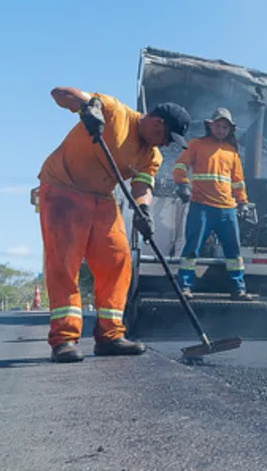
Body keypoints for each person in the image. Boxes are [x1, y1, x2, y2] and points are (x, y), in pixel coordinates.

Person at [37, 87, 190, 363]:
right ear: (157, 123)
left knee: (118, 260)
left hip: (101, 198)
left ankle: (109, 336)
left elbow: (142, 186)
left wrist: (144, 210)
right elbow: (59, 94)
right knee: (64, 264)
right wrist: (89, 109)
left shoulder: (151, 155)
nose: (166, 146)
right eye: (167, 138)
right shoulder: (115, 112)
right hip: (63, 189)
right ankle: (64, 340)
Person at [172, 108, 255, 301]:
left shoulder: (232, 152)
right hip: (201, 206)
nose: (221, 130)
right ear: (210, 125)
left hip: (227, 209)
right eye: (218, 125)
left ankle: (238, 289)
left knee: (234, 252)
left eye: (225, 127)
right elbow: (180, 165)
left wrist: (242, 202)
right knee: (192, 248)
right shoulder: (196, 145)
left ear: (229, 130)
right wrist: (182, 184)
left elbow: (238, 181)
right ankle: (184, 287)